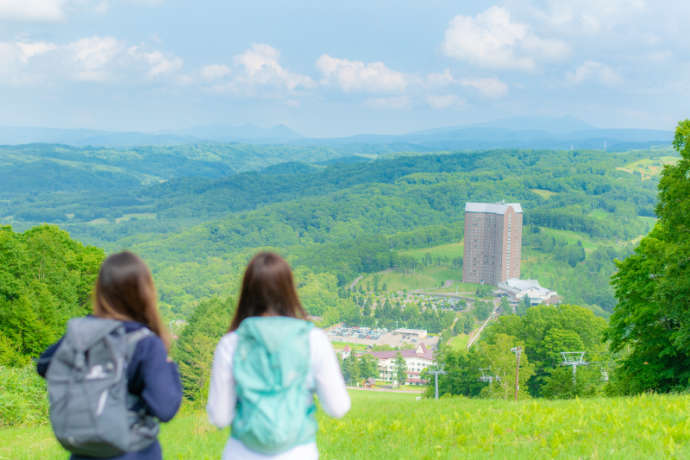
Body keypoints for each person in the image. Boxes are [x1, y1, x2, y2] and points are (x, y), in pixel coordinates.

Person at [36, 251, 183, 460]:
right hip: (133, 452)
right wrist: (168, 366)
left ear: (101, 291)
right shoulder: (145, 343)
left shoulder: (82, 334)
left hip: (83, 451)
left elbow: (43, 365)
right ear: (145, 292)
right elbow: (165, 408)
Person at [207, 252, 350, 460]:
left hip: (242, 452)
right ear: (289, 290)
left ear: (246, 293)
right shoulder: (313, 339)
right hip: (299, 452)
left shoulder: (231, 344)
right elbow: (338, 408)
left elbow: (220, 417)